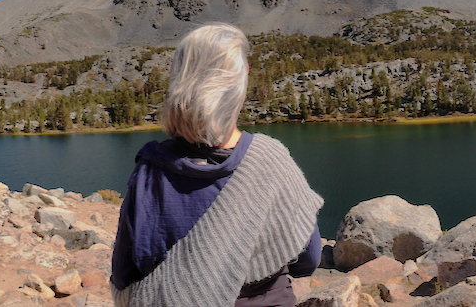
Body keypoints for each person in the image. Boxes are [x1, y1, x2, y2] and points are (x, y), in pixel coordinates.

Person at [111, 23, 324, 306]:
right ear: (237, 85)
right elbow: (307, 260)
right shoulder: (271, 160)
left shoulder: (151, 171)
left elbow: (125, 274)